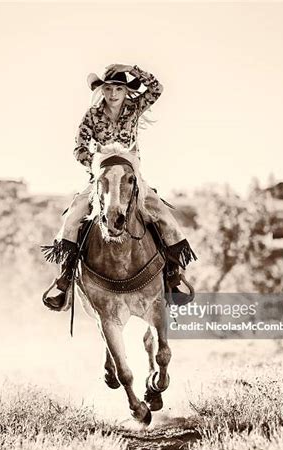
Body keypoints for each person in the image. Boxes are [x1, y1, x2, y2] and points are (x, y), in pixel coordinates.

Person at [42, 63, 196, 310]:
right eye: (109, 88)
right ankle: (66, 278)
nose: (113, 94)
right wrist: (97, 164)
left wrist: (130, 68)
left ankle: (172, 275)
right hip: (101, 179)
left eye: (118, 89)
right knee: (72, 217)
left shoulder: (134, 109)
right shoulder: (92, 115)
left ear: (126, 92)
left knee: (165, 216)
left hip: (132, 179)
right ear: (102, 90)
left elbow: (156, 89)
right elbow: (78, 148)